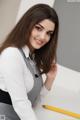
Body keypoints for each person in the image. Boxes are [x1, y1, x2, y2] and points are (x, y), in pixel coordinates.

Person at [0, 3, 59, 120]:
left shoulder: (31, 59)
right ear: (27, 25)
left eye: (49, 33)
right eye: (38, 28)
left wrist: (50, 79)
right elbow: (21, 103)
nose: (43, 37)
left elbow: (33, 103)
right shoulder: (12, 54)